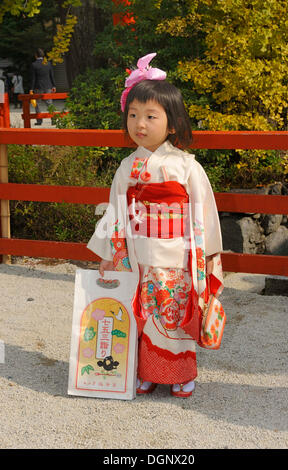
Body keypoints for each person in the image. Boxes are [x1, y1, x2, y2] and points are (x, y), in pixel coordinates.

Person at [87, 53, 225, 398]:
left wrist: (208, 255)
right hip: (137, 254)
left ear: (173, 123)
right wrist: (108, 254)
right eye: (133, 115)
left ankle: (180, 373)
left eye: (150, 116)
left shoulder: (186, 167)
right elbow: (116, 213)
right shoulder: (126, 167)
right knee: (143, 315)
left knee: (175, 315)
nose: (139, 124)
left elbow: (204, 211)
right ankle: (146, 372)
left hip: (178, 255)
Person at [30, 48, 56, 125]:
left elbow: (33, 78)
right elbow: (52, 76)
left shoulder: (34, 65)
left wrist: (31, 88)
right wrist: (53, 85)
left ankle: (39, 120)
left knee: (37, 104)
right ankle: (53, 119)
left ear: (36, 55)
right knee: (49, 103)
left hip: (38, 86)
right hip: (48, 86)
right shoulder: (48, 63)